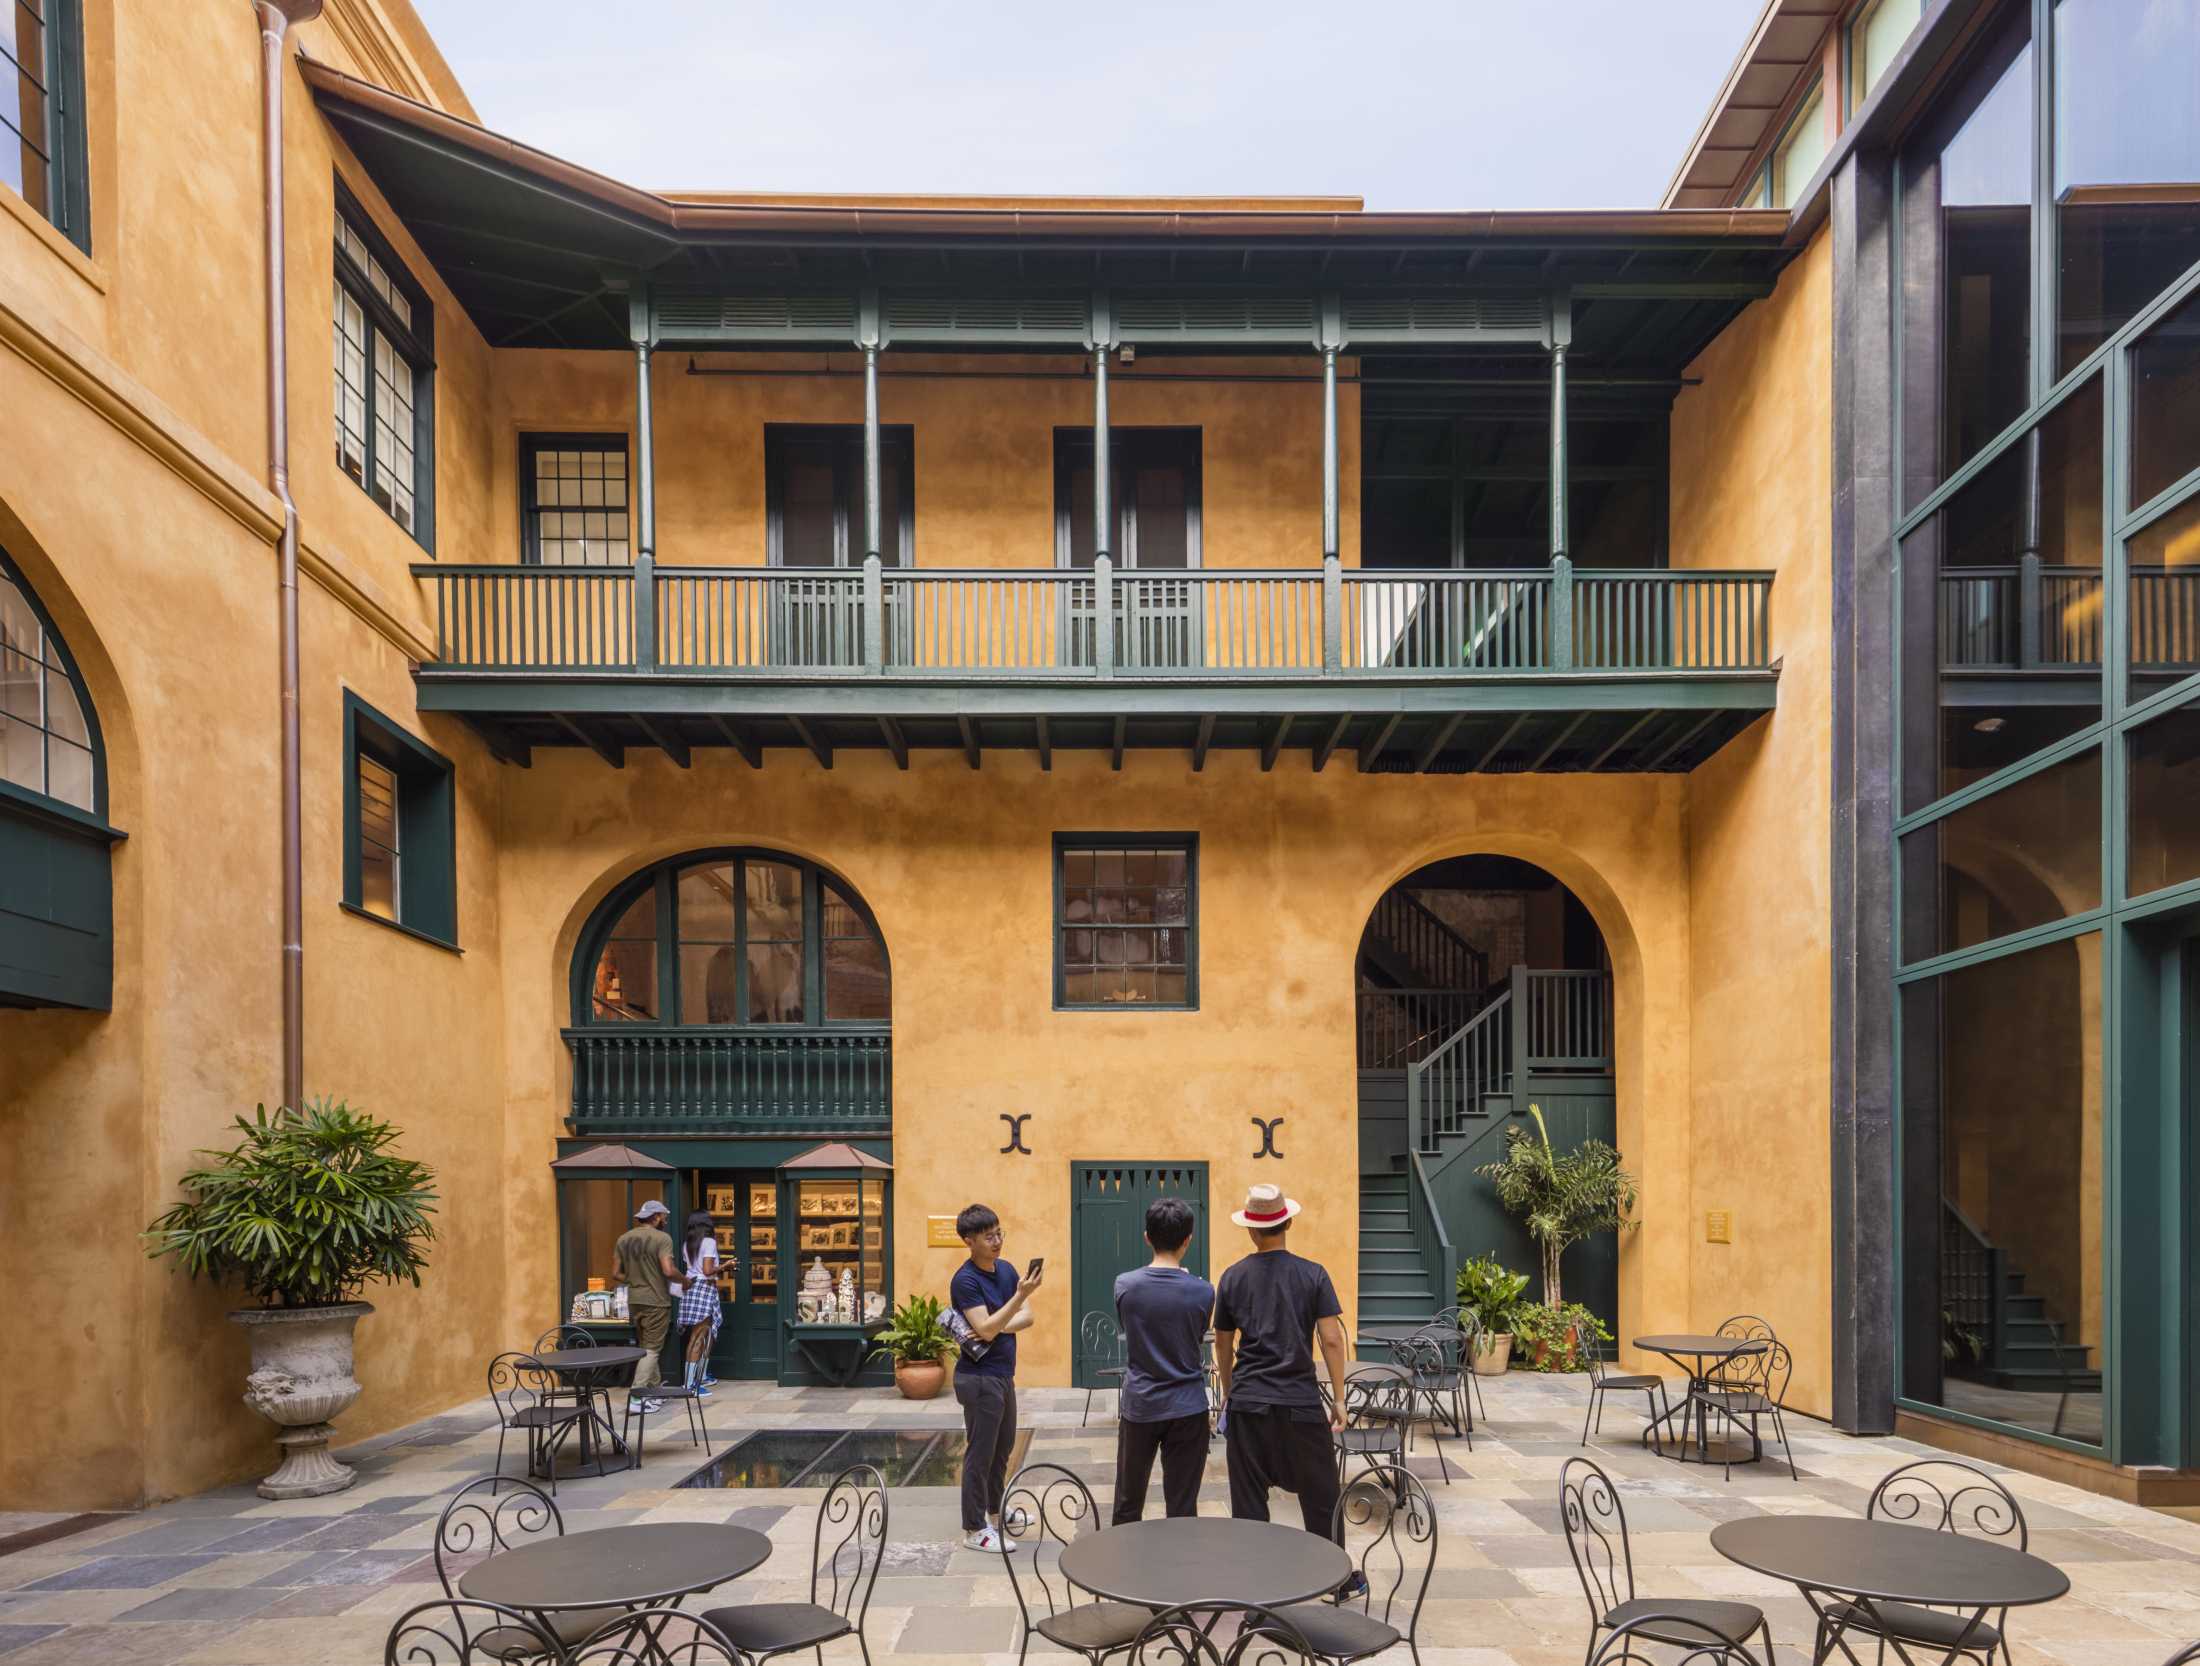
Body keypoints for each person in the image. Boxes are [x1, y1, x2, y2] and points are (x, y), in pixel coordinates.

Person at [1212, 1182, 1349, 1537]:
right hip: (1300, 1403)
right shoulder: (1313, 1273)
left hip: (1248, 1402)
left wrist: (1228, 1391)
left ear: (1250, 1229)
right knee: (1323, 1501)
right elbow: (1331, 1340)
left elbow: (1223, 1346)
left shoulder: (1231, 1277)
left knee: (1249, 1505)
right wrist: (1338, 1397)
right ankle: (1335, 1582)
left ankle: (1256, 1586)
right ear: (1288, 1223)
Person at [1110, 1196, 1216, 1524]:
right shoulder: (1204, 1291)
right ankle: (1178, 1571)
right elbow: (1196, 1337)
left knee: (1128, 1501)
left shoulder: (1125, 1284)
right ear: (1188, 1239)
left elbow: (1130, 1327)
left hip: (1140, 1403)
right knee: (1183, 1505)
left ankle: (1123, 1571)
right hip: (1188, 1406)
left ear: (1147, 1236)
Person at [950, 1203, 1042, 1553]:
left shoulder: (1006, 1270)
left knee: (1003, 1449)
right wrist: (1017, 1298)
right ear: (969, 1242)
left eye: (999, 1233)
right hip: (978, 1377)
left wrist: (994, 1325)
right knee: (980, 1453)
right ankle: (975, 1529)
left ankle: (996, 1510)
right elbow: (986, 1328)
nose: (997, 1240)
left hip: (1003, 1372)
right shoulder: (965, 1280)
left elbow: (1024, 1318)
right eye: (989, 1237)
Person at [612, 1199, 679, 1412]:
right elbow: (668, 1271)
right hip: (656, 1301)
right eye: (664, 1218)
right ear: (655, 1217)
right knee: (651, 1349)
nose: (665, 1222)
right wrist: (685, 1281)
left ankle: (655, 1390)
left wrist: (635, 1281)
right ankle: (636, 1397)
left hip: (635, 1300)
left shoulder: (624, 1238)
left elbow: (615, 1273)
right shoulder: (662, 1238)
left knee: (648, 1345)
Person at [675, 1208, 722, 1397]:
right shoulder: (709, 1242)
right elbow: (708, 1270)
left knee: (703, 1334)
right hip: (704, 1289)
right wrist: (726, 1266)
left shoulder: (688, 1244)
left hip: (692, 1290)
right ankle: (689, 1384)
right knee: (699, 1336)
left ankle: (700, 1376)